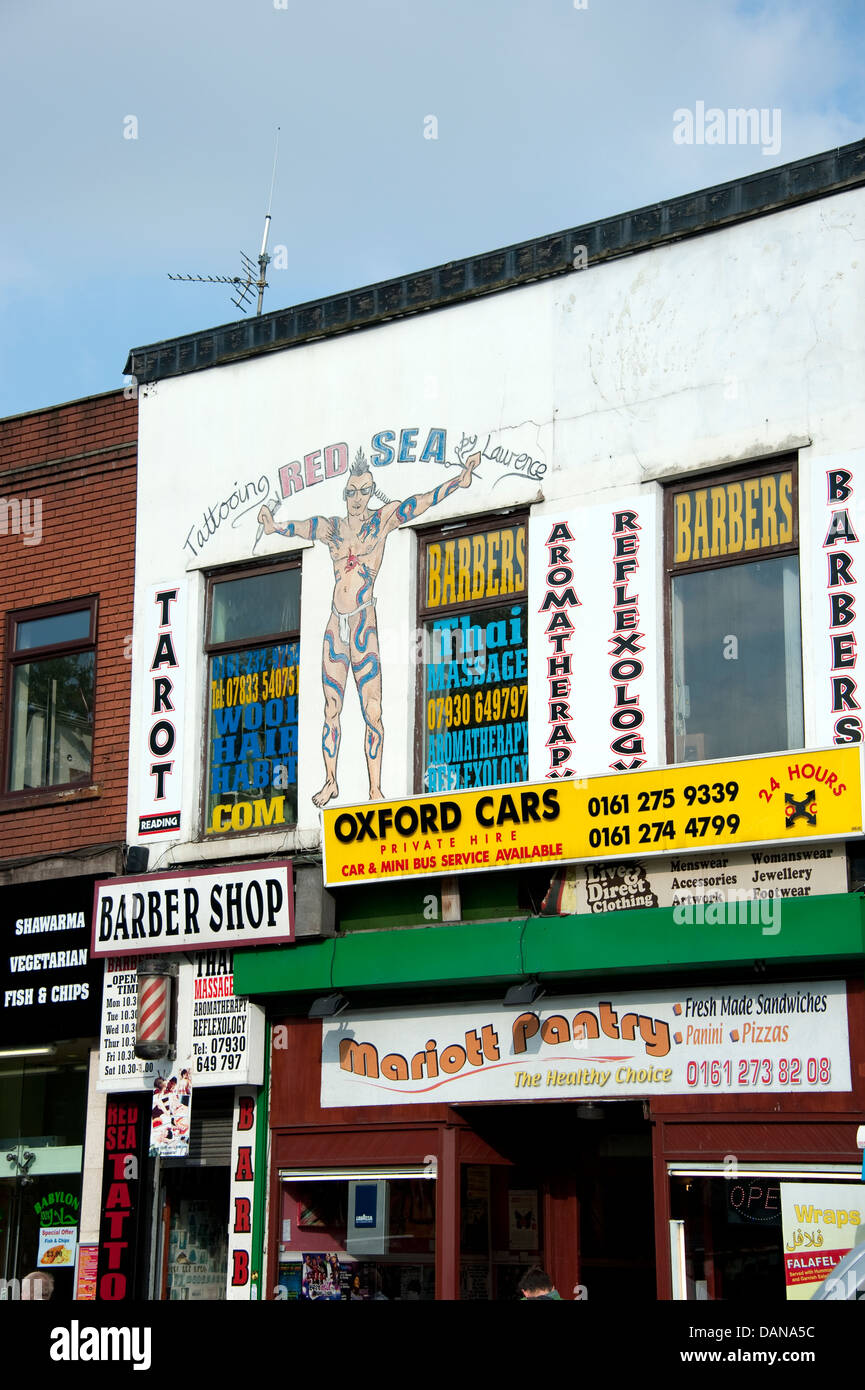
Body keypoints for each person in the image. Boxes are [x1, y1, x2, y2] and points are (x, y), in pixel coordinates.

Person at [258, 447, 480, 807]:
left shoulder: (383, 520)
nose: (358, 499)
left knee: (371, 709)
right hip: (335, 624)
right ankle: (331, 781)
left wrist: (459, 479)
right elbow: (305, 528)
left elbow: (420, 502)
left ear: (371, 491)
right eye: (352, 492)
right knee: (332, 707)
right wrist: (275, 527)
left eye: (364, 491)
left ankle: (375, 788)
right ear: (344, 495)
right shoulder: (333, 529)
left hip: (364, 622)